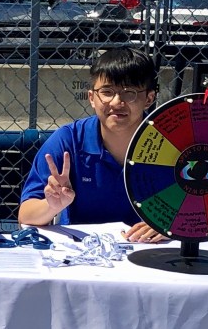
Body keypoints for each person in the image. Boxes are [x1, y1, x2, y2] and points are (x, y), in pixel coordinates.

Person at [18, 47, 166, 243]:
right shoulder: (68, 140)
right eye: (107, 92)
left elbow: (204, 211)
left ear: (149, 98)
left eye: (129, 93)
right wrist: (53, 206)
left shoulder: (171, 142)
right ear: (91, 98)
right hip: (85, 257)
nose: (116, 102)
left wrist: (168, 225)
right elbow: (26, 215)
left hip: (150, 254)